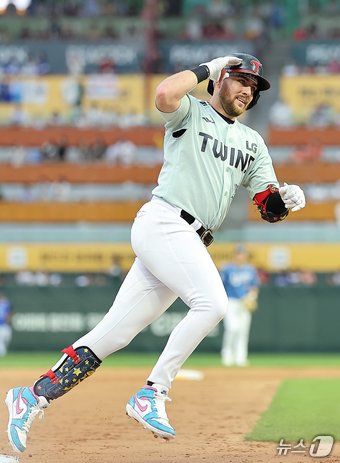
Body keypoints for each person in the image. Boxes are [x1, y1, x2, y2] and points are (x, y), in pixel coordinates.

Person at [5, 53, 306, 453]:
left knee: (114, 333)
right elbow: (164, 92)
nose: (247, 90)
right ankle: (153, 391)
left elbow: (267, 207)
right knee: (213, 303)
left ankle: (31, 397)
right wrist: (209, 68)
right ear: (219, 81)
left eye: (253, 86)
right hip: (165, 221)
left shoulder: (253, 143)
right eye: (239, 80)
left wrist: (284, 201)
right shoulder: (192, 112)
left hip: (188, 241)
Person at [220, 245, 260, 367]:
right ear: (235, 255)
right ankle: (227, 355)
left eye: (242, 254)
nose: (240, 256)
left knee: (243, 331)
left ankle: (241, 357)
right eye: (238, 253)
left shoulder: (250, 270)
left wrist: (251, 297)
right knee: (232, 328)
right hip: (231, 301)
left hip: (245, 303)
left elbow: (254, 286)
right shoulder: (227, 269)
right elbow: (221, 285)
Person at [0, 293, 12, 357]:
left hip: (5, 326)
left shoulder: (6, 304)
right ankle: (2, 355)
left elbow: (9, 314)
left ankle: (3, 352)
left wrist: (8, 322)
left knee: (7, 339)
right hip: (0, 325)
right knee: (0, 342)